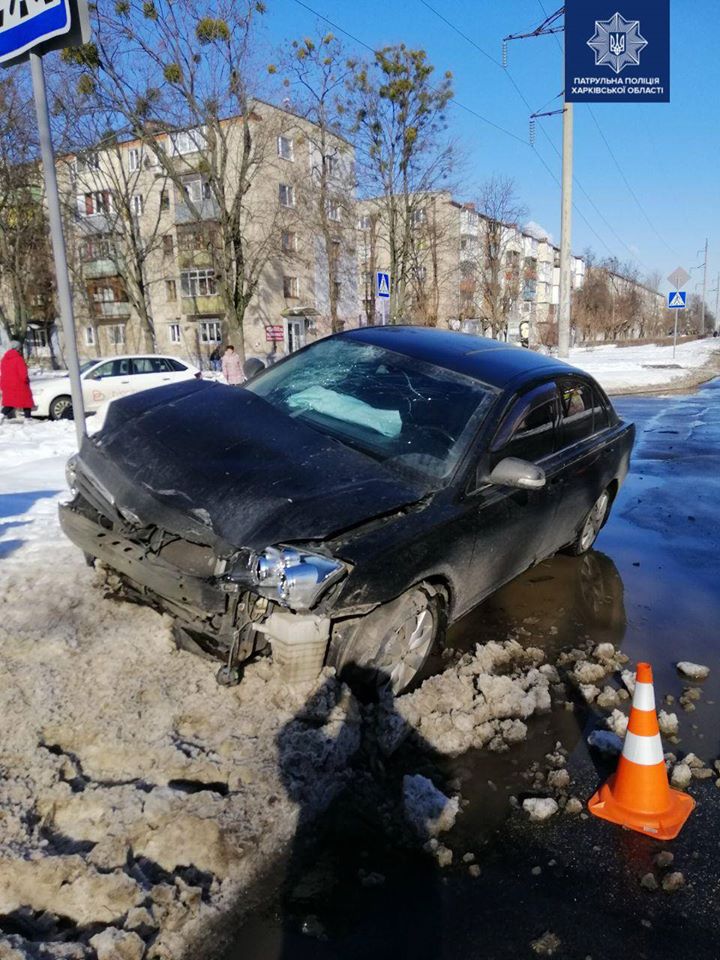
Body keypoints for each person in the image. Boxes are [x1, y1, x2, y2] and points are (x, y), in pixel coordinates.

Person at [0, 341, 34, 421]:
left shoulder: (4, 360)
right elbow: (23, 373)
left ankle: (1, 415)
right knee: (26, 401)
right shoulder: (18, 359)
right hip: (19, 384)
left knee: (9, 403)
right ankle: (28, 419)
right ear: (17, 348)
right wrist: (25, 380)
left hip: (7, 384)